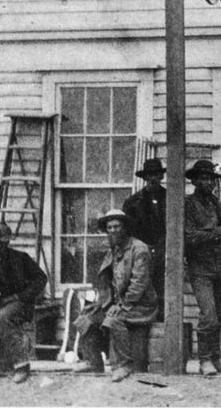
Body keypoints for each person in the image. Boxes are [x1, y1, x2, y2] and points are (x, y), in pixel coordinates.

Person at [72, 208, 158, 382]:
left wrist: (121, 306)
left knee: (113, 320)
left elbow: (139, 284)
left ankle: (123, 365)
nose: (112, 230)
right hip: (117, 303)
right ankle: (93, 362)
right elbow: (106, 280)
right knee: (86, 317)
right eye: (109, 227)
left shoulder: (139, 249)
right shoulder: (114, 251)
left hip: (140, 306)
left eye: (117, 226)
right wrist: (105, 304)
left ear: (125, 228)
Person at [0, 221, 48, 385]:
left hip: (17, 303)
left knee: (2, 318)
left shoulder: (21, 259)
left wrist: (21, 296)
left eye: (1, 243)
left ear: (7, 242)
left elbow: (41, 278)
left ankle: (21, 365)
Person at [185, 159, 221, 376]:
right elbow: (190, 237)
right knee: (209, 314)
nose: (208, 183)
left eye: (211, 179)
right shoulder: (188, 204)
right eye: (204, 179)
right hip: (200, 267)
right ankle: (204, 359)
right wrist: (218, 233)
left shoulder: (216, 203)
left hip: (220, 266)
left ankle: (215, 357)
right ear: (195, 181)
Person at [122, 156, 166, 308]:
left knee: (163, 291)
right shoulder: (133, 202)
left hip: (164, 253)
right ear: (145, 177)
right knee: (143, 289)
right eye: (150, 175)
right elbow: (128, 232)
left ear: (161, 176)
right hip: (142, 253)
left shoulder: (171, 199)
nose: (153, 178)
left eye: (156, 174)